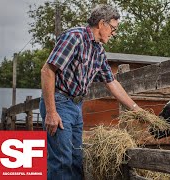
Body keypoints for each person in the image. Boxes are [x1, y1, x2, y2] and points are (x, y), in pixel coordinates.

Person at [39, 4, 142, 180]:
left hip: (76, 106)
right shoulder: (74, 37)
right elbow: (47, 71)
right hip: (59, 103)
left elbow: (112, 83)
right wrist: (51, 111)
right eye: (113, 28)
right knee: (62, 161)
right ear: (102, 24)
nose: (114, 33)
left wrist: (136, 109)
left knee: (76, 160)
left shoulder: (98, 51)